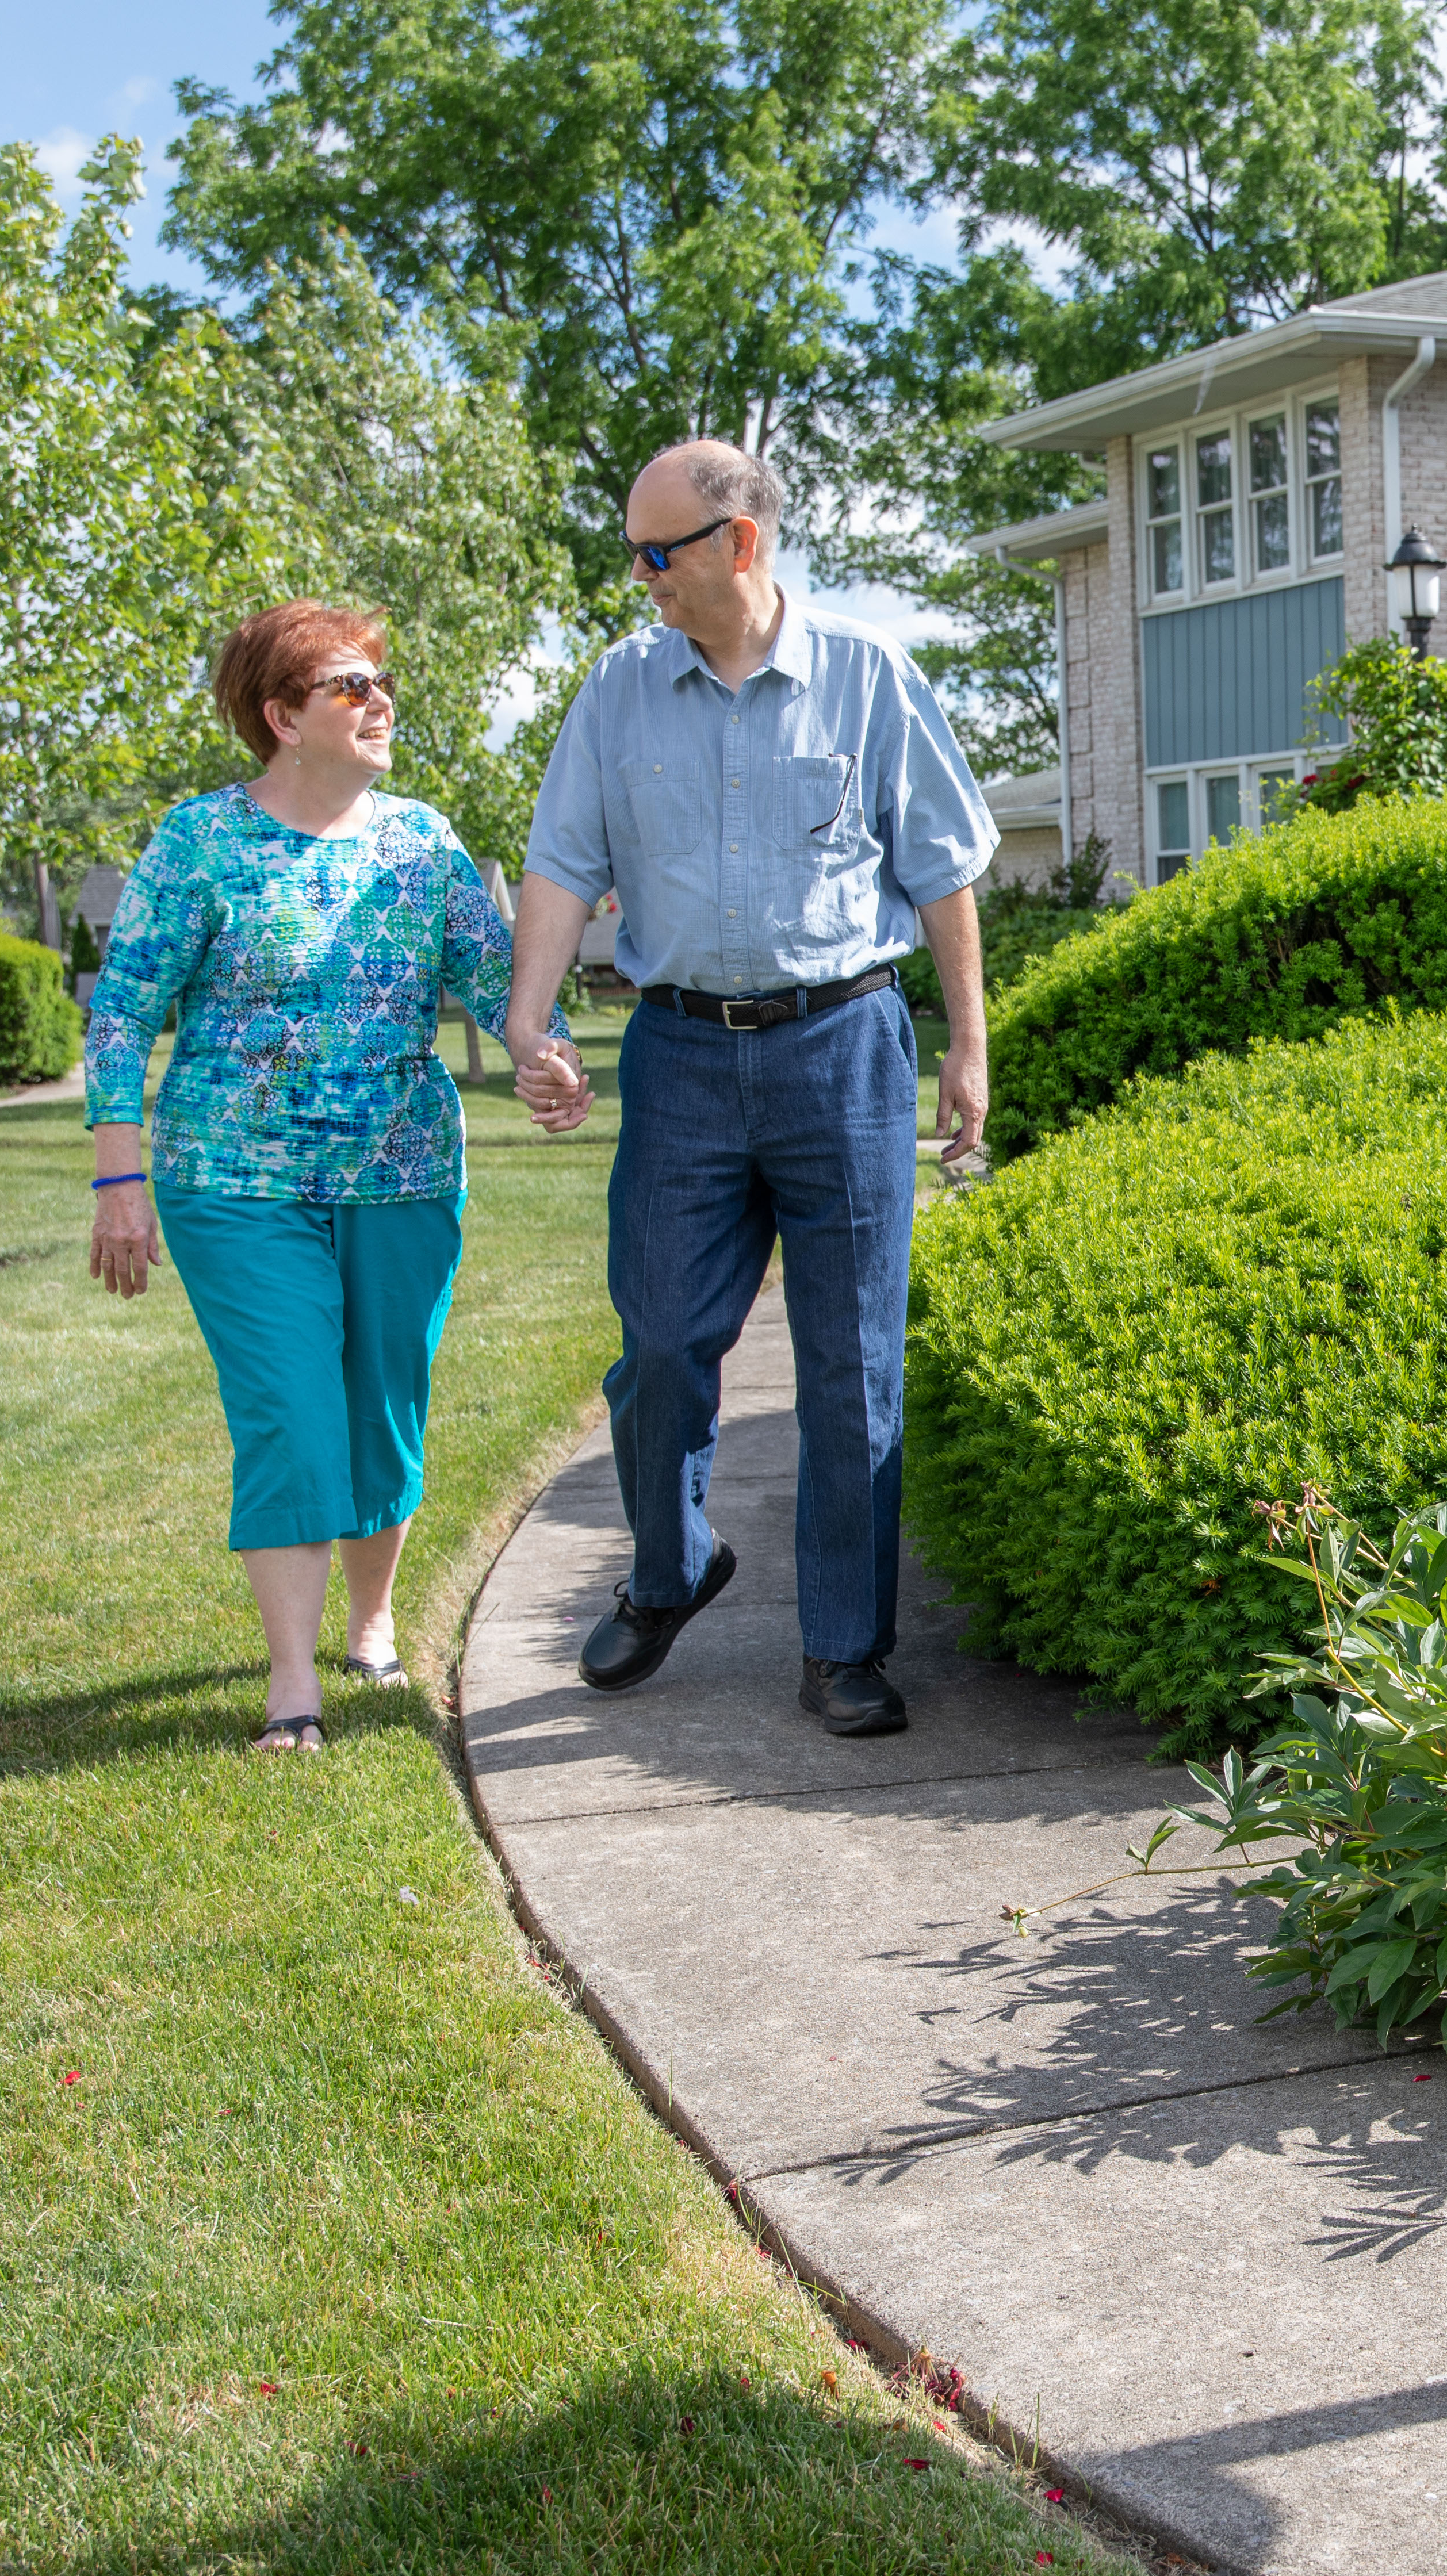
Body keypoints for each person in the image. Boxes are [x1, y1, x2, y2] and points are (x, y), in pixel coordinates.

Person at [506, 440, 992, 1739]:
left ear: (741, 542)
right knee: (662, 1341)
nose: (640, 576)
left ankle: (843, 1644)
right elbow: (559, 861)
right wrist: (526, 1016)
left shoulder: (871, 674)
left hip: (844, 1047)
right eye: (633, 553)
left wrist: (967, 1044)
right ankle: (671, 1567)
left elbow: (942, 869)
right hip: (677, 1059)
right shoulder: (617, 692)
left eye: (658, 552)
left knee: (851, 1363)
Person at [87, 600, 587, 1753]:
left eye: (380, 681)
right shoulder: (200, 841)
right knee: (292, 1413)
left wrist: (543, 1052)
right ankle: (289, 1691)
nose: (379, 702)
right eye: (349, 685)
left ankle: (370, 1628)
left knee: (382, 1408)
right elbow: (122, 1011)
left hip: (403, 1173)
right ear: (281, 714)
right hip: (234, 1176)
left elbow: (499, 975)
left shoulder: (422, 841)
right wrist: (120, 1179)